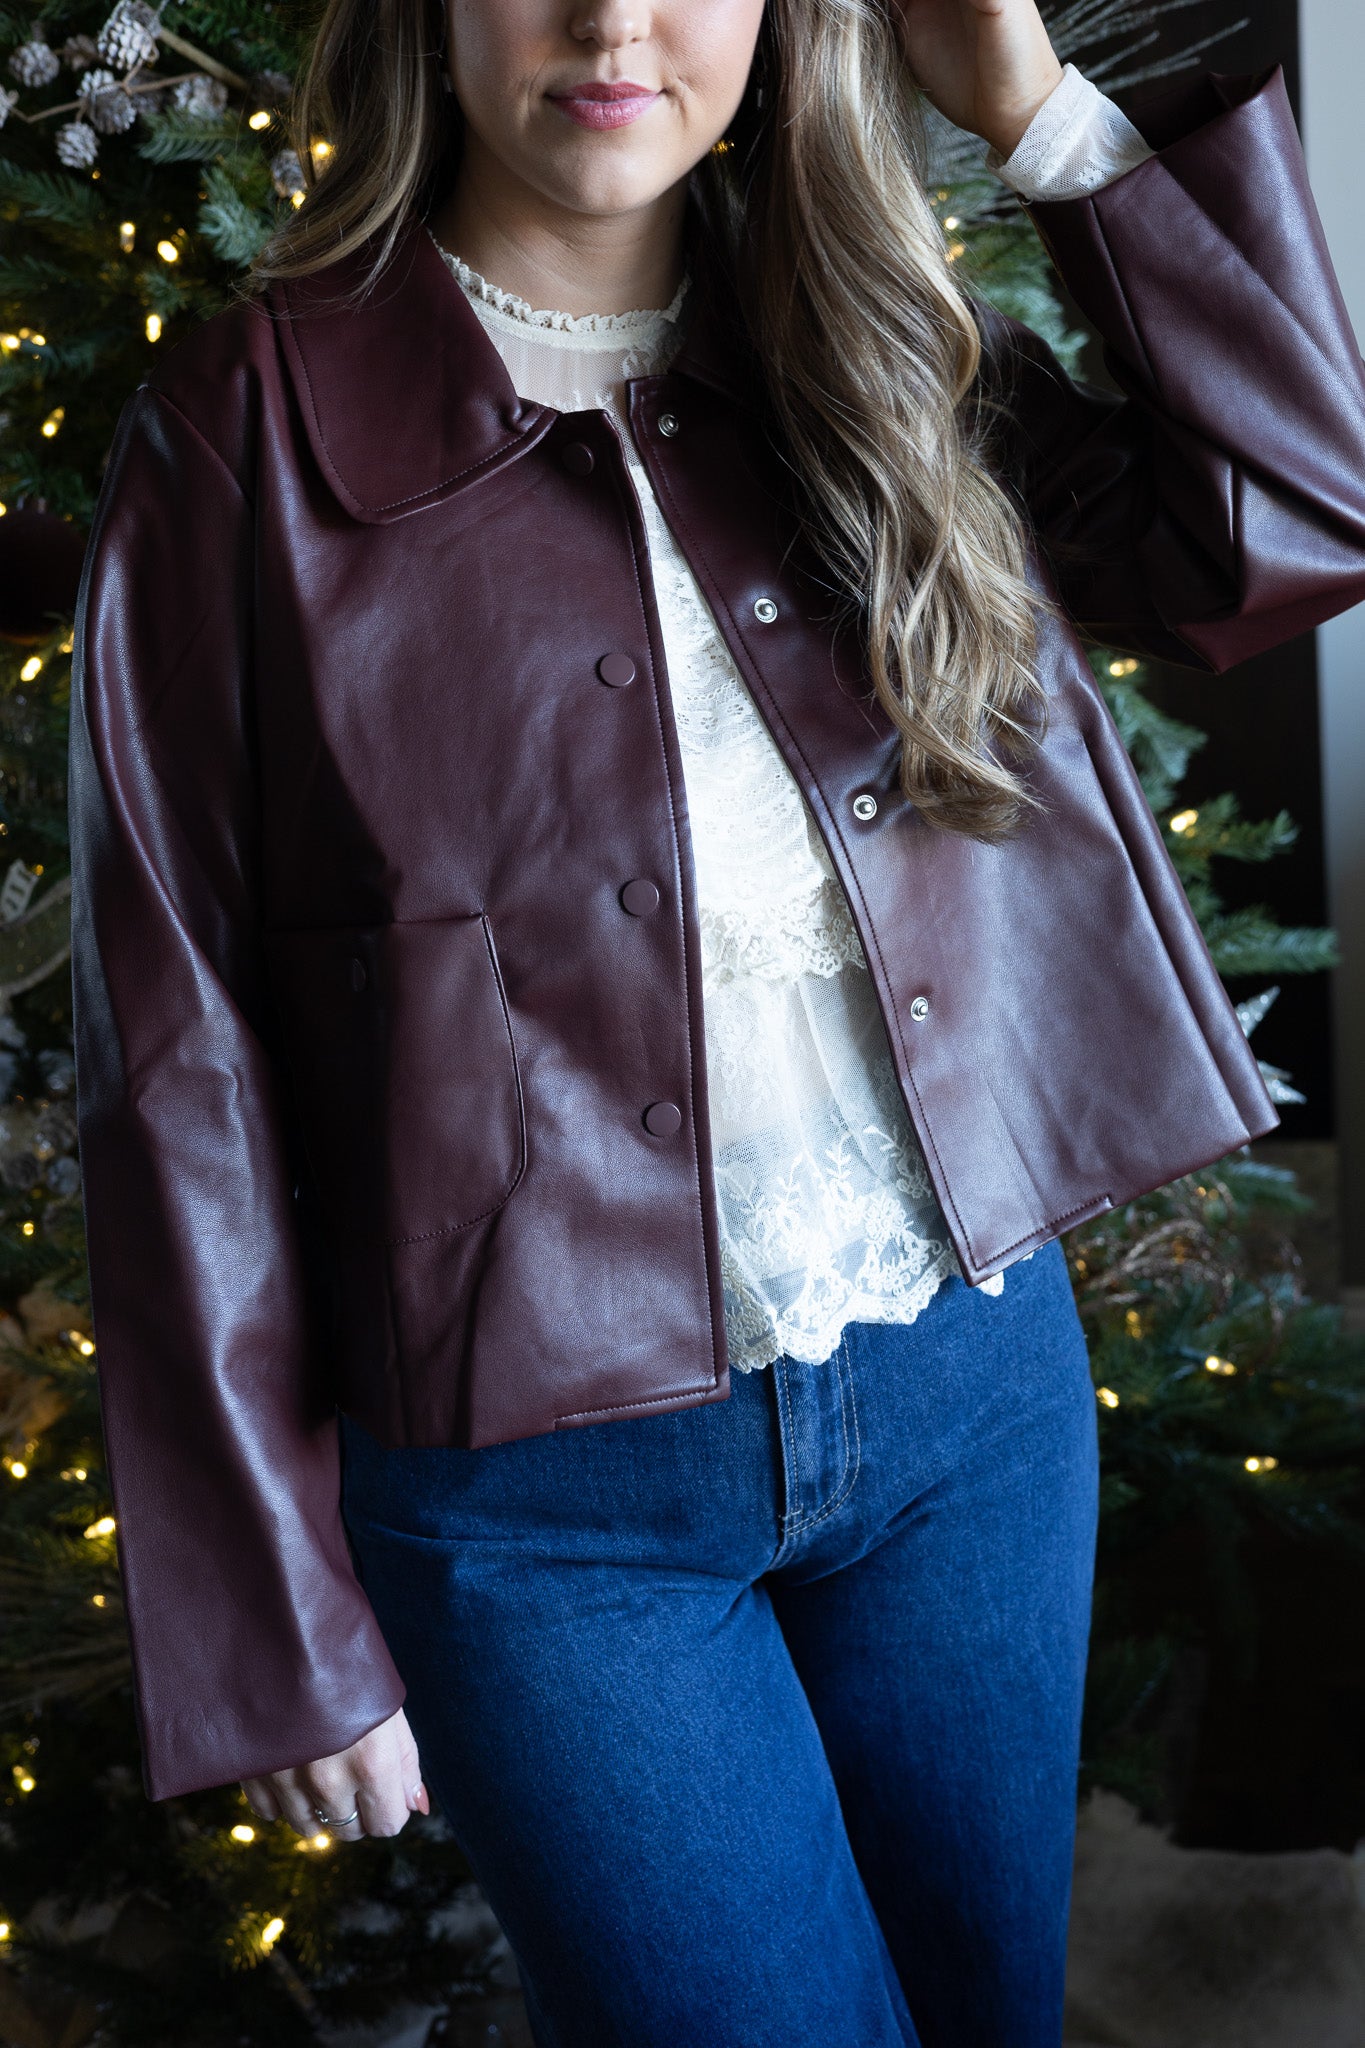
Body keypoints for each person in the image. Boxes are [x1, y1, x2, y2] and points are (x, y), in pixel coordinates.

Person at [67, 0, 1365, 2042]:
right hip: (539, 1513)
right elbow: (176, 1049)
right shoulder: (247, 426)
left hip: (965, 1393)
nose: (610, 23)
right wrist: (271, 1621)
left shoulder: (870, 345)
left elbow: (1291, 517)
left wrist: (1026, 112)